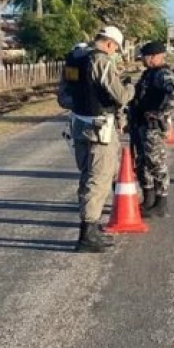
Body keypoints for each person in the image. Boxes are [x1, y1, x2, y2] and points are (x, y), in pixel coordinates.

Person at [58, 26, 135, 252]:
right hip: (100, 127)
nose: (114, 54)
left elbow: (63, 97)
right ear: (110, 43)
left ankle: (89, 227)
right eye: (116, 50)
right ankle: (88, 233)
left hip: (79, 124)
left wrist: (82, 106)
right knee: (99, 178)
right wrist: (129, 88)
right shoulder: (100, 61)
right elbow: (120, 96)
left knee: (87, 176)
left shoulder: (75, 58)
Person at [128, 41, 174, 218]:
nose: (142, 59)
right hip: (141, 125)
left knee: (156, 163)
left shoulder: (162, 74)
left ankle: (161, 202)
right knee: (143, 163)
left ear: (154, 57)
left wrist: (161, 113)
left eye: (144, 56)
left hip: (153, 128)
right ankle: (148, 200)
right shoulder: (149, 74)